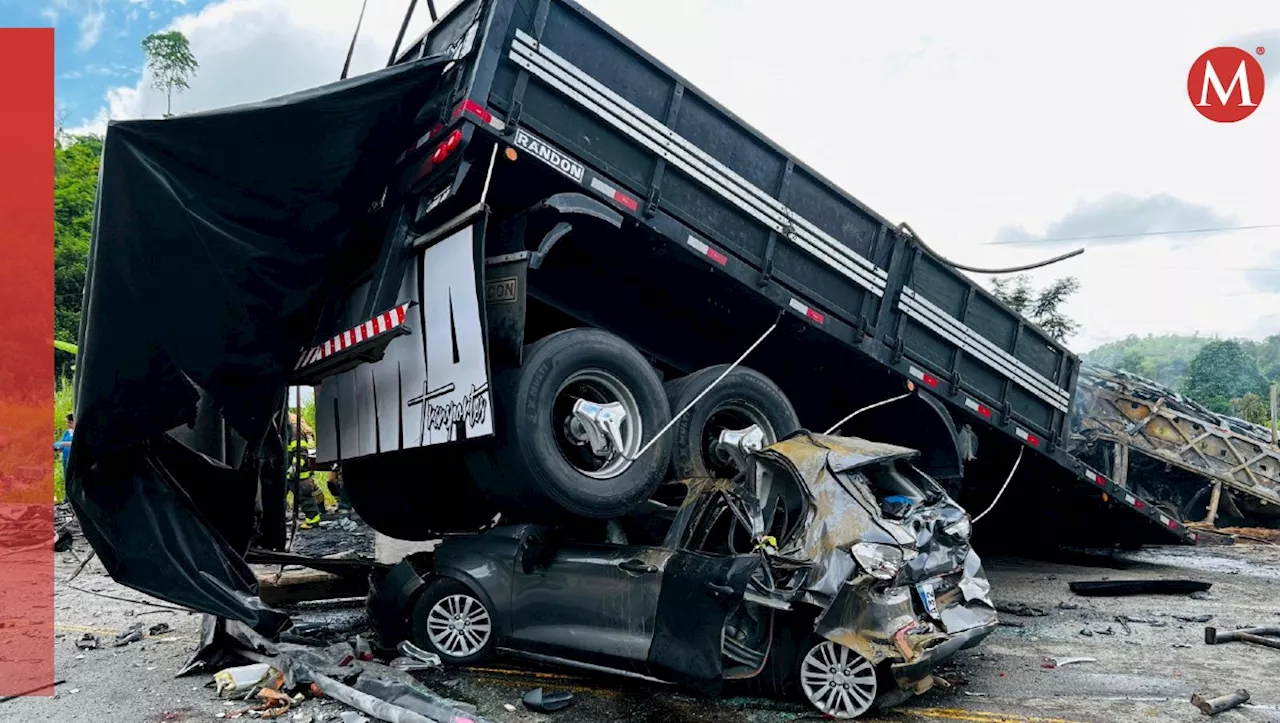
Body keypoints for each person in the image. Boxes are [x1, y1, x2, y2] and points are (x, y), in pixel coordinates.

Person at [286, 412, 325, 529]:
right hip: (289, 474)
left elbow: (301, 453)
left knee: (304, 497)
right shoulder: (287, 430)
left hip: (299, 474)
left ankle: (312, 520)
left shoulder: (294, 432)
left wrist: (294, 468)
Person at [54, 413, 74, 480]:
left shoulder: (78, 432)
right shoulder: (67, 432)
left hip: (74, 459)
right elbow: (61, 443)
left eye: (67, 422)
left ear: (71, 422)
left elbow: (75, 443)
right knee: (67, 477)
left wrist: (63, 443)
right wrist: (57, 447)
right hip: (65, 459)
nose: (66, 424)